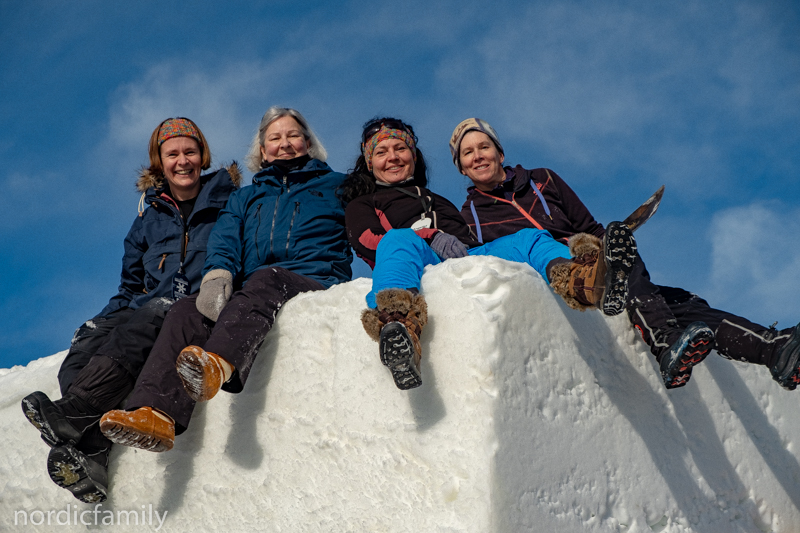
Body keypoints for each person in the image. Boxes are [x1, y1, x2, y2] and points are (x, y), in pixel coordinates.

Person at [451, 117, 800, 390]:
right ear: (462, 167)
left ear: (499, 151)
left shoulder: (543, 179)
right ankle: (665, 342)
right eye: (468, 153)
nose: (478, 156)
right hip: (566, 276)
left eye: (484, 146)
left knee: (682, 300)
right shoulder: (471, 217)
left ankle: (772, 348)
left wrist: (613, 249)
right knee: (665, 297)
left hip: (595, 259)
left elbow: (588, 224)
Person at [98, 107, 352, 454]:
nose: (284, 144)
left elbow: (372, 215)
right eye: (274, 138)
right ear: (262, 151)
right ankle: (154, 414)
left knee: (265, 278)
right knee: (186, 309)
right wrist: (218, 277)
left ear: (308, 142)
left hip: (315, 276)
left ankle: (219, 363)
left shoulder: (338, 185)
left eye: (293, 135)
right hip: (258, 285)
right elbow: (225, 240)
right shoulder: (245, 197)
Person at [20, 118, 241, 503]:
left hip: (194, 305)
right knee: (85, 349)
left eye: (190, 151)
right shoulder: (149, 217)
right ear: (159, 162)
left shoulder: (228, 203)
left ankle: (79, 412)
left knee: (151, 318)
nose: (182, 161)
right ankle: (92, 454)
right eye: (172, 154)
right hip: (145, 305)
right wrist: (100, 322)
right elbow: (130, 286)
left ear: (202, 156)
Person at [339, 117, 638, 390]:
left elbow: (469, 240)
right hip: (414, 260)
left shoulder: (438, 201)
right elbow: (368, 240)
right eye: (382, 152)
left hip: (465, 257)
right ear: (370, 162)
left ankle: (583, 279)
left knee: (528, 238)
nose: (393, 157)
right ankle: (400, 329)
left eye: (400, 149)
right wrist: (429, 236)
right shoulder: (364, 204)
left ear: (413, 157)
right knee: (397, 239)